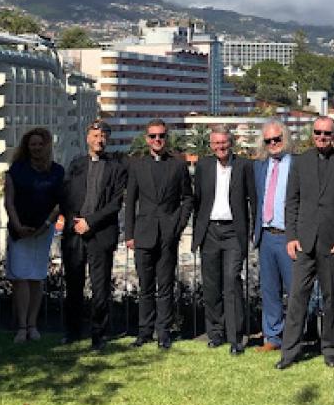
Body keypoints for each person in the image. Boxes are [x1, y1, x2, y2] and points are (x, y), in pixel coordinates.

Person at [275, 116, 334, 369]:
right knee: (297, 298)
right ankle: (289, 352)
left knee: (331, 299)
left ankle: (331, 350)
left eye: (326, 133)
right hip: (304, 244)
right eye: (318, 133)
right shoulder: (300, 163)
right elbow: (292, 202)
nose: (322, 137)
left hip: (333, 245)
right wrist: (291, 237)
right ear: (313, 134)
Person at [125, 119, 193, 350]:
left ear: (166, 138)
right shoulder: (137, 166)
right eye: (153, 136)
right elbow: (130, 200)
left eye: (161, 136)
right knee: (145, 287)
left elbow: (188, 198)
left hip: (168, 234)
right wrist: (129, 234)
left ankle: (163, 332)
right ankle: (144, 331)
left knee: (165, 286)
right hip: (143, 234)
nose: (157, 140)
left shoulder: (178, 166)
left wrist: (179, 225)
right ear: (147, 139)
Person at [59, 120, 127, 351]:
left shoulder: (116, 168)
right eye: (95, 135)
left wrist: (90, 222)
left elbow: (116, 203)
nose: (99, 140)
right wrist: (73, 220)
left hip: (100, 234)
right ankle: (72, 331)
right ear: (87, 137)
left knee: (100, 288)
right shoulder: (76, 164)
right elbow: (66, 196)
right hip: (74, 233)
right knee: (74, 286)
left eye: (103, 136)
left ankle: (99, 335)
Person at [192, 126, 256, 355]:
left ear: (231, 144)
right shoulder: (203, 166)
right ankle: (215, 333)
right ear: (211, 145)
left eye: (224, 143)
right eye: (216, 143)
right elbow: (197, 200)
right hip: (209, 231)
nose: (220, 147)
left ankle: (235, 337)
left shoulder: (244, 166)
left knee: (231, 282)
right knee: (211, 285)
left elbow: (253, 200)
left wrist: (254, 231)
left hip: (233, 232)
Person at [5, 127, 64, 344]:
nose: (36, 148)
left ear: (46, 146)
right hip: (19, 231)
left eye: (40, 144)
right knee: (20, 277)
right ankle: (21, 326)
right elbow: (9, 200)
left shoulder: (57, 171)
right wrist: (17, 224)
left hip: (43, 231)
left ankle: (33, 325)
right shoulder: (17, 169)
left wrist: (47, 224)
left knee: (36, 277)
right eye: (32, 144)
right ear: (26, 147)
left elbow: (60, 202)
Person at [251, 120, 294, 353]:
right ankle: (272, 337)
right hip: (266, 236)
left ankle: (295, 337)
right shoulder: (259, 166)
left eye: (277, 139)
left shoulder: (297, 165)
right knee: (269, 290)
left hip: (289, 236)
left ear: (284, 138)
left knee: (295, 290)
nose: (273, 143)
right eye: (269, 141)